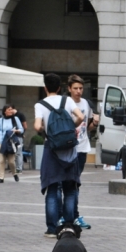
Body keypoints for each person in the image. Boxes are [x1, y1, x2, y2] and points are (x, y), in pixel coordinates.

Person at [34, 73, 85, 239]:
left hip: (52, 150)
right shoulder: (68, 101)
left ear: (45, 88)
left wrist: (47, 131)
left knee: (52, 188)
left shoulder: (40, 105)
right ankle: (69, 226)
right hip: (69, 149)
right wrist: (71, 128)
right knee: (70, 189)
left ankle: (51, 228)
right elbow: (81, 117)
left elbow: (37, 127)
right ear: (59, 87)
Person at [65, 74, 98, 229]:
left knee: (75, 183)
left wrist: (95, 124)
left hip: (82, 148)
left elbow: (87, 127)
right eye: (75, 88)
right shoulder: (66, 103)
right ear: (69, 89)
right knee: (69, 183)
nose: (78, 91)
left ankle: (73, 215)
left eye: (81, 88)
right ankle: (71, 215)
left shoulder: (86, 103)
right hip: (69, 148)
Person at [0, 104, 23, 183]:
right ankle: (1, 177)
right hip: (1, 142)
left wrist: (15, 131)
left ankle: (15, 173)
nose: (10, 110)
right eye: (9, 109)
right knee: (1, 161)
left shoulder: (15, 119)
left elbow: (21, 129)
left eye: (11, 109)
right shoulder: (0, 120)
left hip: (11, 142)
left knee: (11, 161)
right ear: (5, 111)